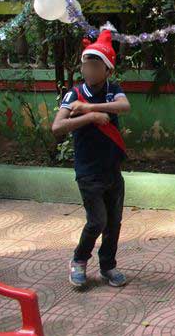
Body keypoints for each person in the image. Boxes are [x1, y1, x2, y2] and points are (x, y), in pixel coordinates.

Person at [52, 24, 131, 288]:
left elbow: (124, 106)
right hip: (88, 172)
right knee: (97, 221)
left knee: (114, 223)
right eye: (87, 65)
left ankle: (108, 266)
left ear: (107, 70)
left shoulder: (112, 89)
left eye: (96, 66)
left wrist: (91, 107)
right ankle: (79, 260)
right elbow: (57, 127)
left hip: (112, 170)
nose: (89, 71)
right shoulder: (73, 94)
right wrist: (90, 117)